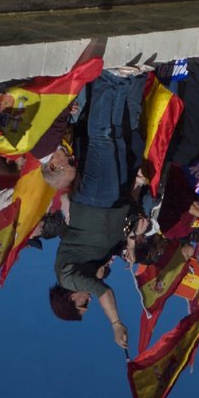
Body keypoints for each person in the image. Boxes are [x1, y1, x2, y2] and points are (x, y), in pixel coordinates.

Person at [49, 69, 147, 349]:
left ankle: (110, 80)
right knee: (115, 138)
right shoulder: (90, 270)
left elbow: (102, 291)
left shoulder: (67, 277)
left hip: (94, 203)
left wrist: (116, 324)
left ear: (70, 298)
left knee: (103, 139)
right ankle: (122, 83)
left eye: (83, 305)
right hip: (109, 204)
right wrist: (126, 246)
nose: (88, 300)